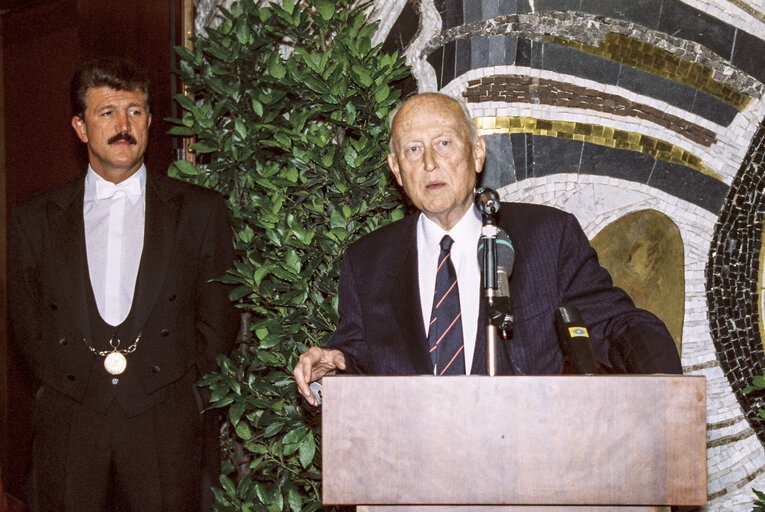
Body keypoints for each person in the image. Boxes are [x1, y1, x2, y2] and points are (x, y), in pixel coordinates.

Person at [293, 92, 681, 405]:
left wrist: (668, 395)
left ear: (477, 153)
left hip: (529, 467)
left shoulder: (546, 236)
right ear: (396, 170)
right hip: (411, 473)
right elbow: (356, 355)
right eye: (413, 150)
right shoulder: (368, 261)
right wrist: (334, 365)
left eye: (444, 143)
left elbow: (616, 326)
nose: (430, 163)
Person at [7, 57, 238, 511]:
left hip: (164, 415)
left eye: (134, 111)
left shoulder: (199, 211)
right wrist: (62, 385)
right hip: (71, 415)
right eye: (106, 113)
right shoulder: (34, 217)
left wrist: (185, 393)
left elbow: (219, 318)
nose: (123, 125)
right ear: (79, 126)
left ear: (150, 122)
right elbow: (26, 322)